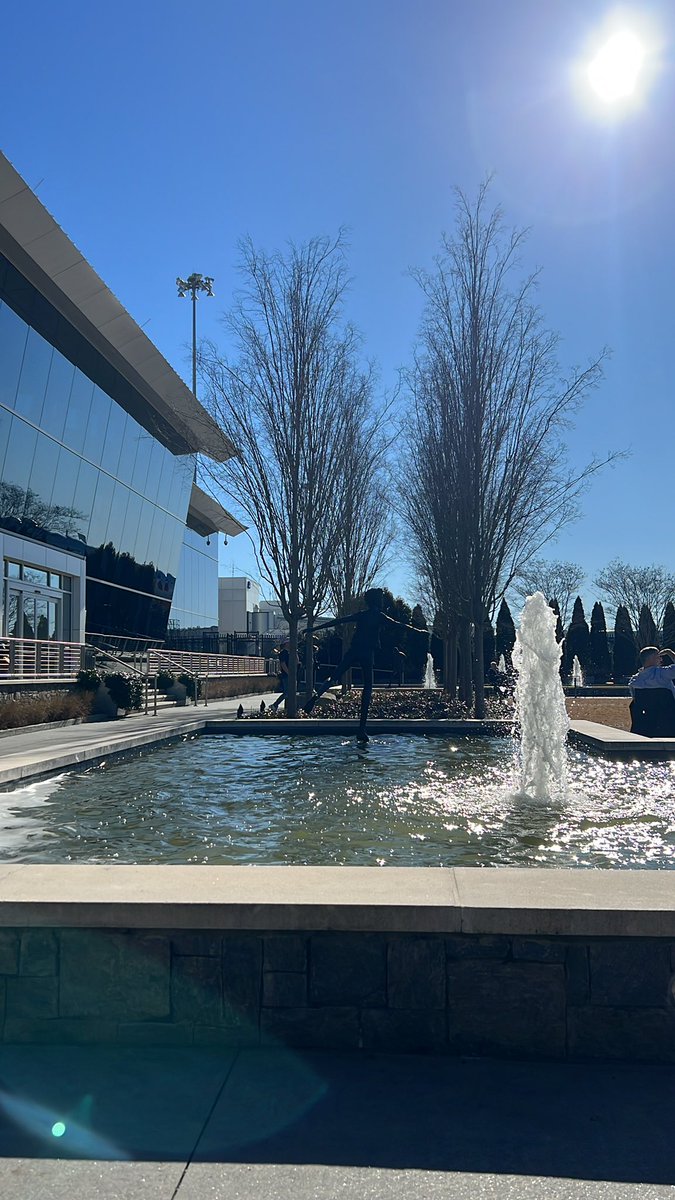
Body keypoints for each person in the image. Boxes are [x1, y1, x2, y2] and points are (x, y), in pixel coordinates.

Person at [303, 588, 429, 742]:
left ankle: (314, 698)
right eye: (381, 599)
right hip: (367, 653)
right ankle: (361, 730)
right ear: (377, 600)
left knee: (335, 676)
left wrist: (313, 629)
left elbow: (338, 621)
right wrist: (418, 630)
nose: (382, 602)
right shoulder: (379, 616)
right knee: (367, 688)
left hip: (354, 650)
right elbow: (399, 625)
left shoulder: (362, 615)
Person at [628, 646, 675, 736]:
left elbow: (635, 703)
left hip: (645, 724)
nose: (661, 659)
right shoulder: (662, 674)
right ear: (652, 658)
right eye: (659, 656)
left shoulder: (634, 681)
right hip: (669, 719)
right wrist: (670, 653)